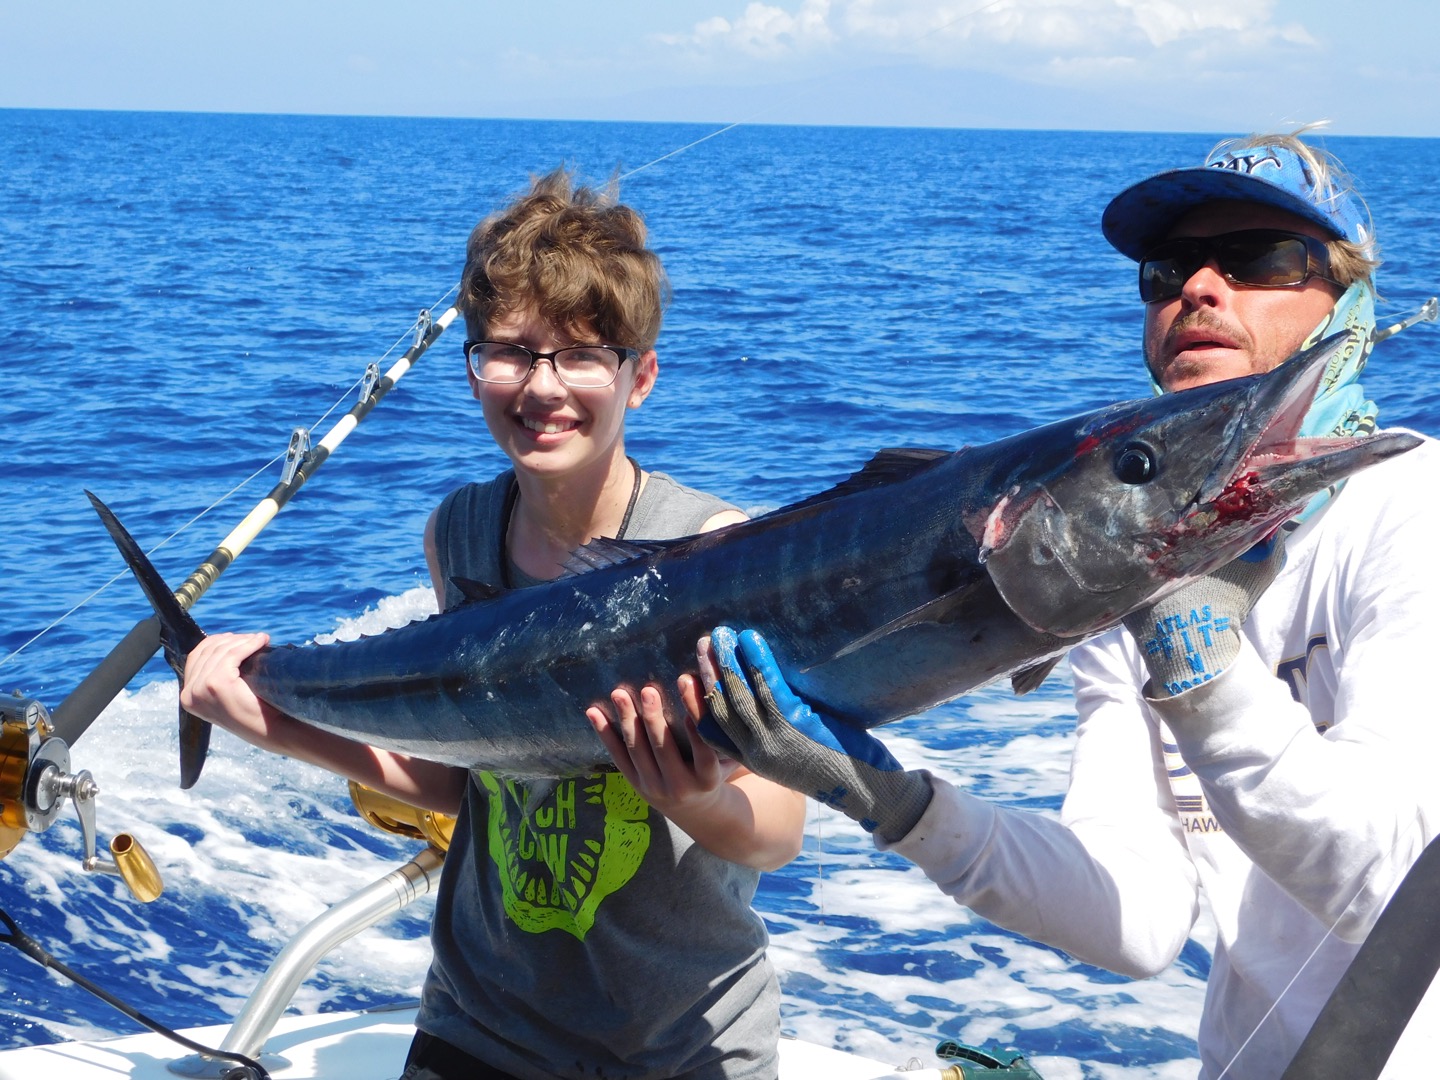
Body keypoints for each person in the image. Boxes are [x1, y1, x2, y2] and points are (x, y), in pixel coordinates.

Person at [675, 131, 1440, 1078]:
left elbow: (1402, 896)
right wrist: (892, 800)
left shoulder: (1414, 508)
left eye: (1257, 260)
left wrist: (1205, 675)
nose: (1199, 288)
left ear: (1350, 303)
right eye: (1168, 271)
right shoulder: (1111, 552)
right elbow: (1138, 916)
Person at [179, 168, 806, 1080]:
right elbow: (468, 777)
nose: (541, 387)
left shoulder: (714, 551)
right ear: (472, 367)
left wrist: (692, 798)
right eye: (508, 351)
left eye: (582, 355)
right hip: (478, 1028)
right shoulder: (463, 531)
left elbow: (778, 832)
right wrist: (271, 727)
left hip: (678, 1050)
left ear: (640, 378)